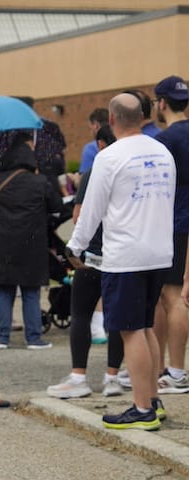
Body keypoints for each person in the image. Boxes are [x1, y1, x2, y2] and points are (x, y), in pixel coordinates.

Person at [67, 93, 175, 430]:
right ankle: (152, 400)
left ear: (110, 120)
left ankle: (141, 408)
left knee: (130, 331)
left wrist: (75, 246)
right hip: (159, 251)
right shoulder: (163, 152)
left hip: (125, 255)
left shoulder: (109, 157)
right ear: (143, 116)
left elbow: (92, 210)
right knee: (145, 327)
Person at [47, 124, 128, 399]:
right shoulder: (132, 170)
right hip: (123, 256)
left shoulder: (97, 170)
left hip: (92, 256)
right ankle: (113, 377)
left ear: (102, 145)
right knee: (118, 318)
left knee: (80, 313)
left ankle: (78, 377)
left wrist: (75, 248)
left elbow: (79, 215)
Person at [0, 130, 62, 349]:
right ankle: (33, 337)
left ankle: (2, 338)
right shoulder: (40, 182)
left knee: (4, 289)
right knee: (31, 291)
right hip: (31, 244)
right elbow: (57, 207)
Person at [151, 75, 189, 394]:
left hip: (177, 223)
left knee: (174, 296)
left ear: (162, 103)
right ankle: (170, 368)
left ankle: (176, 372)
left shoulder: (164, 141)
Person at [78, 107, 109, 173]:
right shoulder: (122, 143)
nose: (90, 133)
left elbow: (86, 177)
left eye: (90, 128)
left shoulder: (90, 148)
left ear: (96, 125)